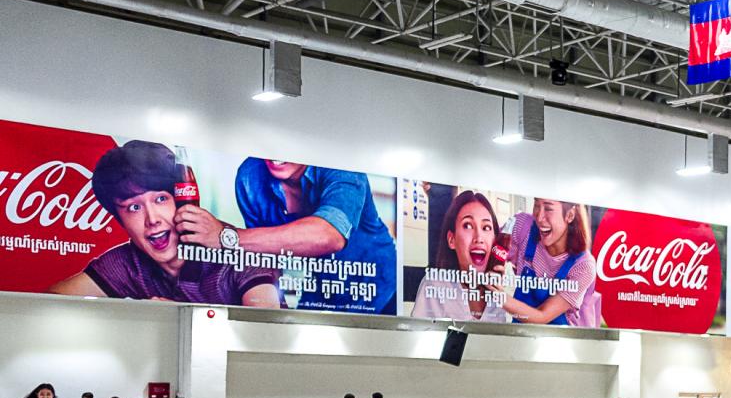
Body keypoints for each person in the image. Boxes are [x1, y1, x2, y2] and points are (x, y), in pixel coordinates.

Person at [49, 141, 281, 307]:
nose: (152, 220)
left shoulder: (236, 250)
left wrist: (180, 319)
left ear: (182, 199)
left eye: (161, 199)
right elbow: (46, 303)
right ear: (120, 220)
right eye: (134, 207)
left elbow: (265, 328)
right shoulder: (126, 262)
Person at [173, 157, 397, 314]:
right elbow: (263, 256)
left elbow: (330, 234)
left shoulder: (343, 168)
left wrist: (226, 237)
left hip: (379, 293)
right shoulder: (250, 176)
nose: (275, 155)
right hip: (320, 294)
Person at [411, 190, 511, 322]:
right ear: (452, 240)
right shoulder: (435, 285)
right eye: (468, 225)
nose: (479, 237)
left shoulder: (498, 296)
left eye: (486, 227)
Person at [502, 199, 603, 327]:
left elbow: (542, 316)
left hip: (562, 340)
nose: (539, 217)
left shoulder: (583, 265)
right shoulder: (523, 228)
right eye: (537, 205)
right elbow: (489, 251)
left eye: (548, 209)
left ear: (570, 215)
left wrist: (499, 297)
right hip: (521, 334)